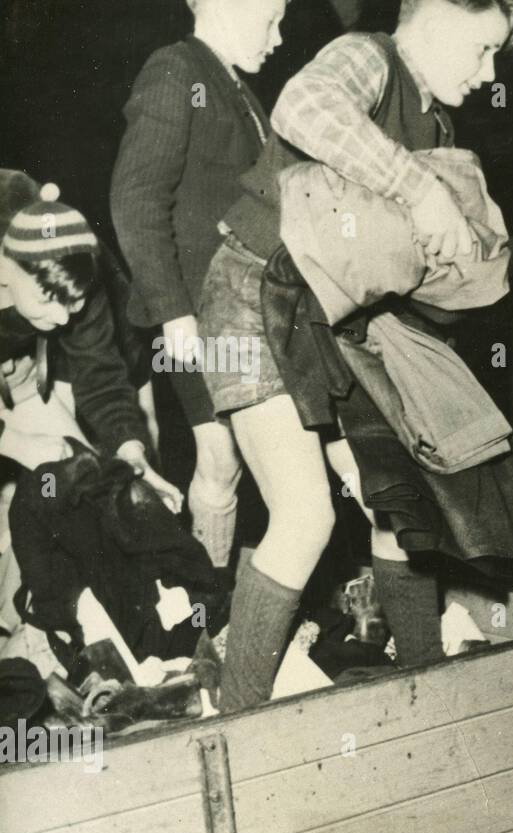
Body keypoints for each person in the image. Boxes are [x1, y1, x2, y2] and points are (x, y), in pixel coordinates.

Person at [197, 0, 513, 712]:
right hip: (252, 295)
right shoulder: (371, 57)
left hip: (335, 320)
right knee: (304, 517)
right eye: (482, 49)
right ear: (436, 14)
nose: (489, 74)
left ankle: (425, 685)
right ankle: (236, 722)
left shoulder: (437, 126)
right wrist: (422, 191)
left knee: (400, 504)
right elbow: (302, 106)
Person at [111, 0, 289, 569]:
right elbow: (135, 200)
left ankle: (214, 588)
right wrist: (173, 313)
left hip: (242, 309)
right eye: (270, 19)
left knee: (234, 459)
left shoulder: (238, 89)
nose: (278, 38)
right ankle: (206, 593)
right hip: (197, 311)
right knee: (220, 455)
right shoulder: (177, 70)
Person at [0, 172, 179, 508]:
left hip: (21, 379)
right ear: (4, 268)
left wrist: (131, 450)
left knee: (75, 487)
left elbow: (99, 375)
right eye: (45, 300)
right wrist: (13, 442)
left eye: (74, 302)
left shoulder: (74, 266)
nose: (62, 318)